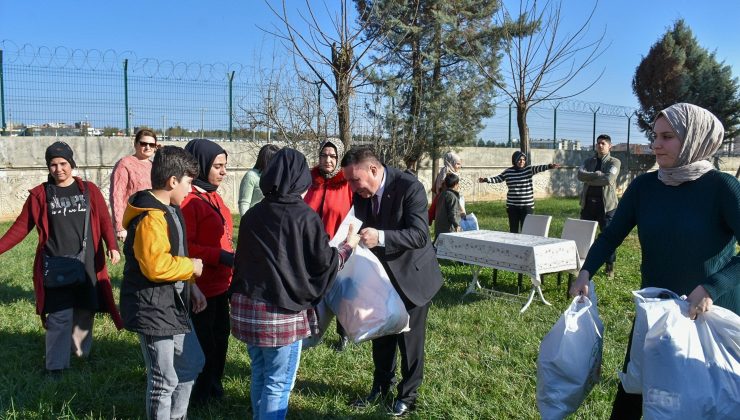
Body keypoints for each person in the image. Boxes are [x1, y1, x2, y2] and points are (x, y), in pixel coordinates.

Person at [570, 103, 740, 419]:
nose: (656, 144)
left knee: (709, 403)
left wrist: (712, 286)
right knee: (637, 396)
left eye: (667, 137)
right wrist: (586, 271)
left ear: (695, 138)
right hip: (657, 314)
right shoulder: (645, 187)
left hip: (710, 317)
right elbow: (610, 236)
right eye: (654, 136)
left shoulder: (722, 188)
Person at [230, 148, 359, 420]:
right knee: (278, 384)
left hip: (247, 310)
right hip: (281, 315)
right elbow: (325, 264)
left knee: (260, 374)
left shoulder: (252, 215)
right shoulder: (305, 216)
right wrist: (348, 246)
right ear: (301, 178)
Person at [0, 141, 122, 374]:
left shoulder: (89, 190)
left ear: (71, 164)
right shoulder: (40, 195)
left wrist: (112, 245)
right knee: (59, 316)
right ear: (48, 167)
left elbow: (105, 220)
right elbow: (19, 229)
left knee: (85, 310)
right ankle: (55, 367)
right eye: (53, 164)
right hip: (55, 265)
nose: (58, 169)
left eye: (63, 163)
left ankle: (79, 356)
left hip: (87, 263)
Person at [341, 146, 443, 417]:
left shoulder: (410, 187)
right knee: (382, 333)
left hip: (412, 276)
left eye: (355, 180)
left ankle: (408, 396)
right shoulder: (361, 193)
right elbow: (358, 224)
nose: (352, 187)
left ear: (373, 170)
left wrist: (382, 237)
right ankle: (381, 386)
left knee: (409, 341)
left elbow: (420, 235)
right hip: (380, 278)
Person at [119, 146, 207, 420]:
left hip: (174, 305)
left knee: (192, 362)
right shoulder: (151, 218)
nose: (191, 189)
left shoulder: (171, 208)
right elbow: (156, 266)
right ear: (172, 181)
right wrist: (191, 266)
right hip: (153, 308)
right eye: (189, 183)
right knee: (164, 378)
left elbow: (175, 253)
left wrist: (192, 285)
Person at [181, 139, 234, 405]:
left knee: (221, 337)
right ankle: (199, 393)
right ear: (201, 166)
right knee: (204, 342)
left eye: (225, 166)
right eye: (218, 166)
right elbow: (186, 246)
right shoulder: (188, 201)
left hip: (221, 283)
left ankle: (214, 382)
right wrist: (219, 256)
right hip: (201, 285)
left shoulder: (214, 196)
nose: (223, 171)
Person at [303, 138, 353, 350]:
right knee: (311, 289)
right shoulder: (309, 178)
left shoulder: (347, 182)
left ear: (339, 158)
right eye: (324, 155)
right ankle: (311, 329)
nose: (328, 160)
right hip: (310, 246)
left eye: (333, 156)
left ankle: (343, 333)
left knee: (340, 290)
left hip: (338, 246)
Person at [478, 151, 561, 233]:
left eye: (523, 160)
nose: (522, 162)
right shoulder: (508, 172)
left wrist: (549, 166)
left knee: (526, 230)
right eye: (519, 160)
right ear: (514, 160)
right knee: (513, 230)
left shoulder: (528, 170)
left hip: (527, 206)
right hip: (512, 206)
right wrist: (486, 180)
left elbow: (538, 168)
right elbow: (498, 178)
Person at [577, 134, 621, 278]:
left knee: (608, 237)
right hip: (588, 205)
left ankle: (610, 265)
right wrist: (596, 174)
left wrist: (589, 179)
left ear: (610, 146)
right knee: (584, 235)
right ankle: (583, 266)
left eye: (603, 143)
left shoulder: (614, 162)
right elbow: (580, 175)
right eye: (598, 143)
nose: (600, 146)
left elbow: (608, 179)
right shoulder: (589, 161)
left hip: (606, 207)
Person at [110, 128, 157, 242]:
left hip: (153, 220)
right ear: (136, 144)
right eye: (143, 143)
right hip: (133, 220)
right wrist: (120, 226)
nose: (148, 147)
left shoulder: (155, 165)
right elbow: (117, 194)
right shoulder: (125, 163)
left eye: (151, 144)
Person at [238, 143, 279, 216]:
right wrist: (246, 222)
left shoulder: (278, 176)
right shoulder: (251, 176)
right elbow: (244, 203)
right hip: (255, 221)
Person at [429, 151, 465, 223]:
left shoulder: (452, 172)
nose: (459, 166)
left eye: (460, 164)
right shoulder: (446, 172)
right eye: (457, 164)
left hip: (453, 197)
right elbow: (443, 186)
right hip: (449, 199)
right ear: (450, 162)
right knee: (453, 216)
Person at [434, 173, 462, 241]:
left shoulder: (442, 194)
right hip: (448, 229)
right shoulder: (452, 196)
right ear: (456, 184)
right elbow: (453, 212)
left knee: (438, 247)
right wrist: (457, 225)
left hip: (439, 227)